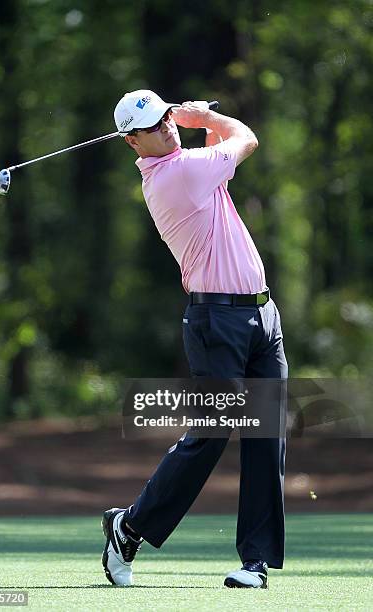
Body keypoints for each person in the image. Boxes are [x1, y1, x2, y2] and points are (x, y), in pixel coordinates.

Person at [102, 89, 288, 589]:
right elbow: (245, 138)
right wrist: (205, 116)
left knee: (266, 437)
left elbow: (215, 149)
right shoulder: (177, 176)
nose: (165, 128)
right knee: (211, 433)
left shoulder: (187, 164)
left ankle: (256, 563)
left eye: (166, 118)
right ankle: (130, 526)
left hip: (261, 315)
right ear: (132, 143)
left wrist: (197, 124)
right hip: (216, 322)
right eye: (153, 126)